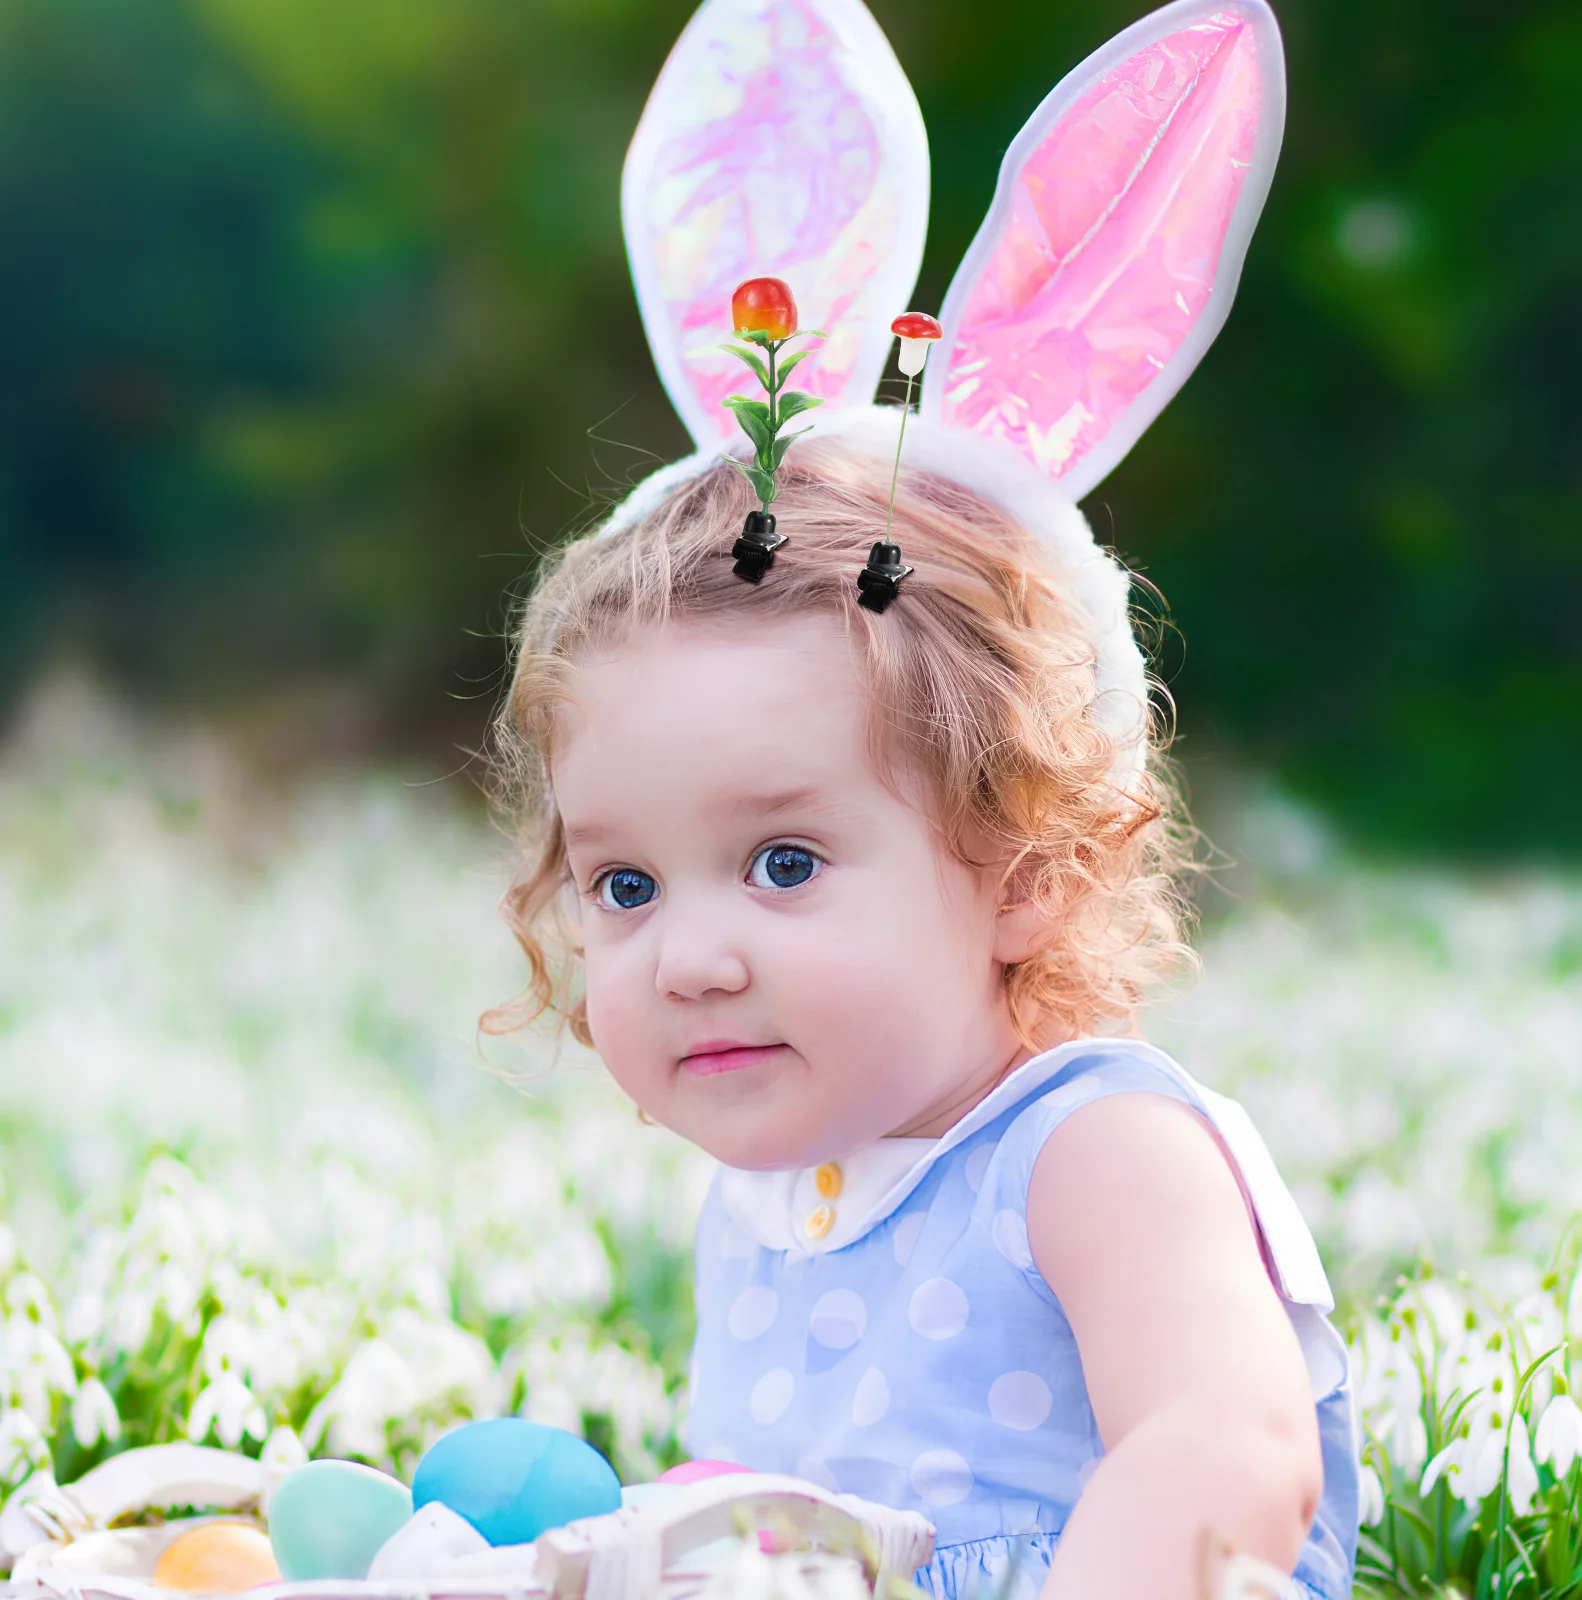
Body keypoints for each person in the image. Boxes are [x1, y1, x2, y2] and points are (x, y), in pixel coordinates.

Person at [485, 1, 1358, 1596]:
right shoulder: (770, 1197)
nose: (688, 955)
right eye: (624, 886)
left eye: (787, 860)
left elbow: (1228, 1451)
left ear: (1025, 864)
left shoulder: (1098, 1151)